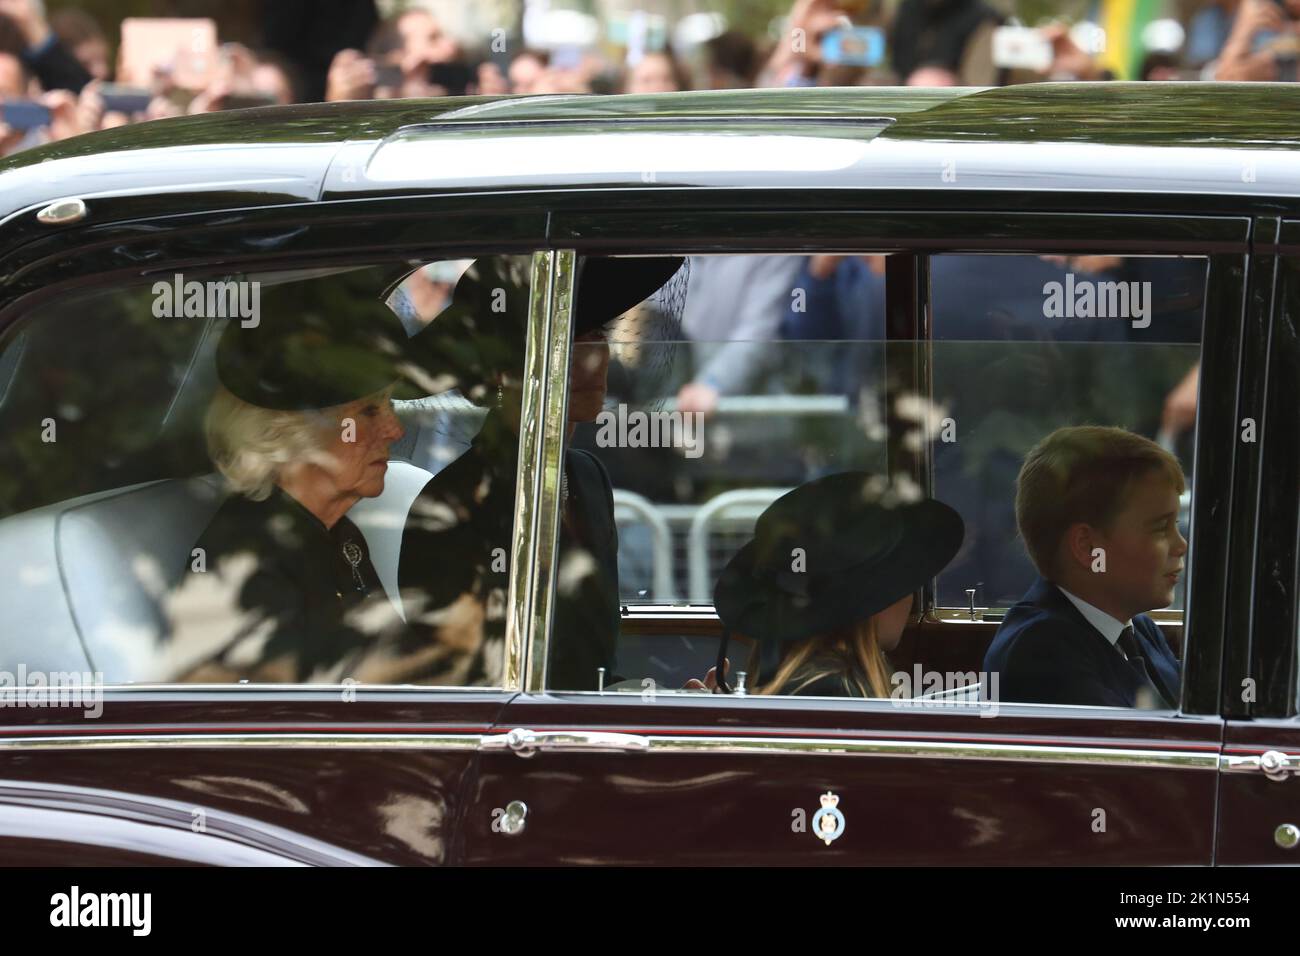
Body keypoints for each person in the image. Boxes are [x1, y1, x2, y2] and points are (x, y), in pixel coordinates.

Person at [398, 256, 688, 692]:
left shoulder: (587, 480)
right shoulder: (456, 502)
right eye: (568, 340)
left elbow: (593, 668)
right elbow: (460, 687)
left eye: (598, 334)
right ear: (510, 368)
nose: (597, 356)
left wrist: (651, 698)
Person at [163, 268, 445, 683]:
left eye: (389, 406)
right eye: (369, 411)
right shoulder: (250, 563)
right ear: (291, 435)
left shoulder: (332, 530)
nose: (395, 430)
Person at [982, 426, 1187, 709]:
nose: (1182, 545)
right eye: (1160, 528)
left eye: (1175, 525)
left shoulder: (1139, 629)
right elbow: (1132, 749)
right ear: (1089, 548)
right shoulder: (1041, 653)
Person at [712, 471, 964, 697]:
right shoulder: (835, 689)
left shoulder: (806, 678)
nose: (909, 599)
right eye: (904, 585)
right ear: (873, 601)